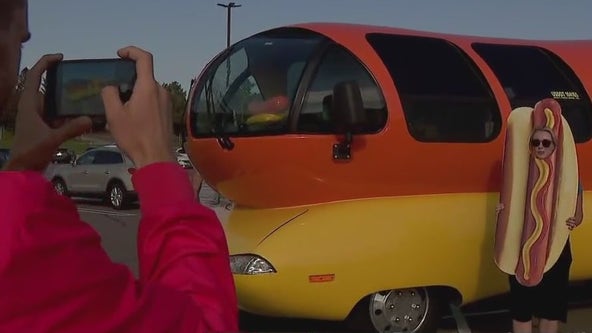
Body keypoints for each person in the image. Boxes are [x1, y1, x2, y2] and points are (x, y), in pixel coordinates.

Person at [0, 1, 238, 332]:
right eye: (21, 41)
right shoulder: (23, 234)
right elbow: (203, 323)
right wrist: (157, 159)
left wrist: (20, 169)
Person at [496, 127, 583, 333]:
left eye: (546, 142)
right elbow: (508, 207)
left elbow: (578, 214)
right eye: (536, 143)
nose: (541, 146)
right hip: (521, 246)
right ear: (530, 147)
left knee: (550, 308)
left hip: (556, 248)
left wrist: (574, 220)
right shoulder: (519, 173)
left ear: (555, 147)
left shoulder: (568, 175)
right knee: (521, 305)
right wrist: (500, 212)